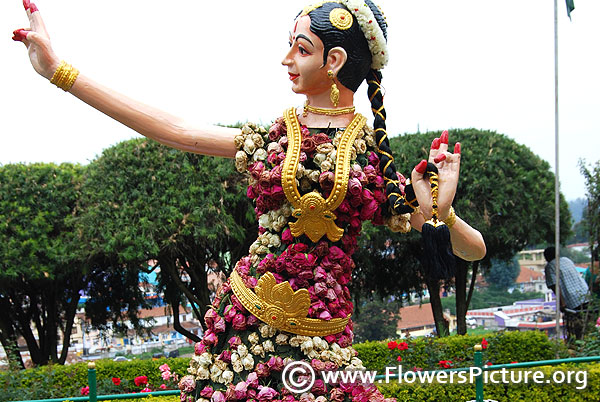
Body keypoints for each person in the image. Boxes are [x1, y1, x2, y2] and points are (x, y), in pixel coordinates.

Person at [14, 1, 486, 400]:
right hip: (244, 330)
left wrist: (441, 208)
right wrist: (60, 72)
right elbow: (177, 131)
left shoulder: (373, 163)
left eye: (301, 49)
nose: (285, 59)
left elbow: (472, 249)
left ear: (335, 60)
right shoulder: (277, 139)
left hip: (324, 340)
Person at [544, 247, 589, 340]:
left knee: (576, 327)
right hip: (585, 294)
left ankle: (578, 345)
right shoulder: (566, 260)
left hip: (573, 300)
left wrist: (562, 304)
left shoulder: (550, 267)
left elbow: (555, 286)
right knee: (588, 323)